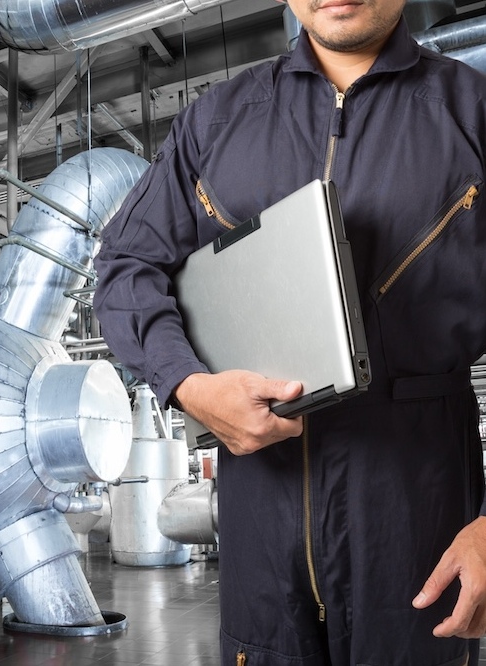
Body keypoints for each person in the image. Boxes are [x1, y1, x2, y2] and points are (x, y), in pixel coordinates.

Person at [93, 0, 486, 661]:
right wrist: (188, 385)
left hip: (419, 502)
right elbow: (128, 265)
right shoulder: (215, 122)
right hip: (259, 508)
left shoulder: (471, 111)